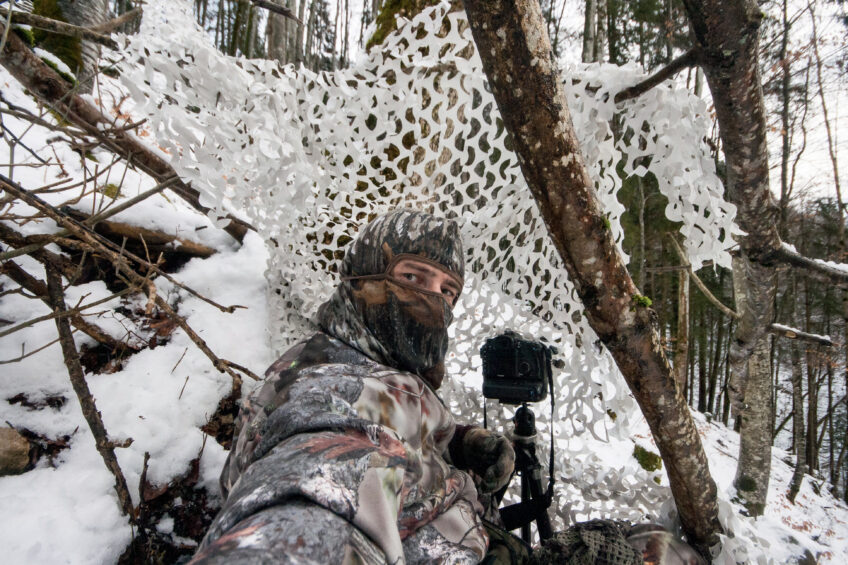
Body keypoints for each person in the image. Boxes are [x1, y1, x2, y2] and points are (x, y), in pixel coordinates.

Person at [190, 209, 517, 564]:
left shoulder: (376, 360)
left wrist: (460, 443)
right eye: (413, 276)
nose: (434, 301)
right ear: (362, 275)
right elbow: (325, 477)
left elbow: (399, 421)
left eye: (447, 290)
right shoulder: (329, 385)